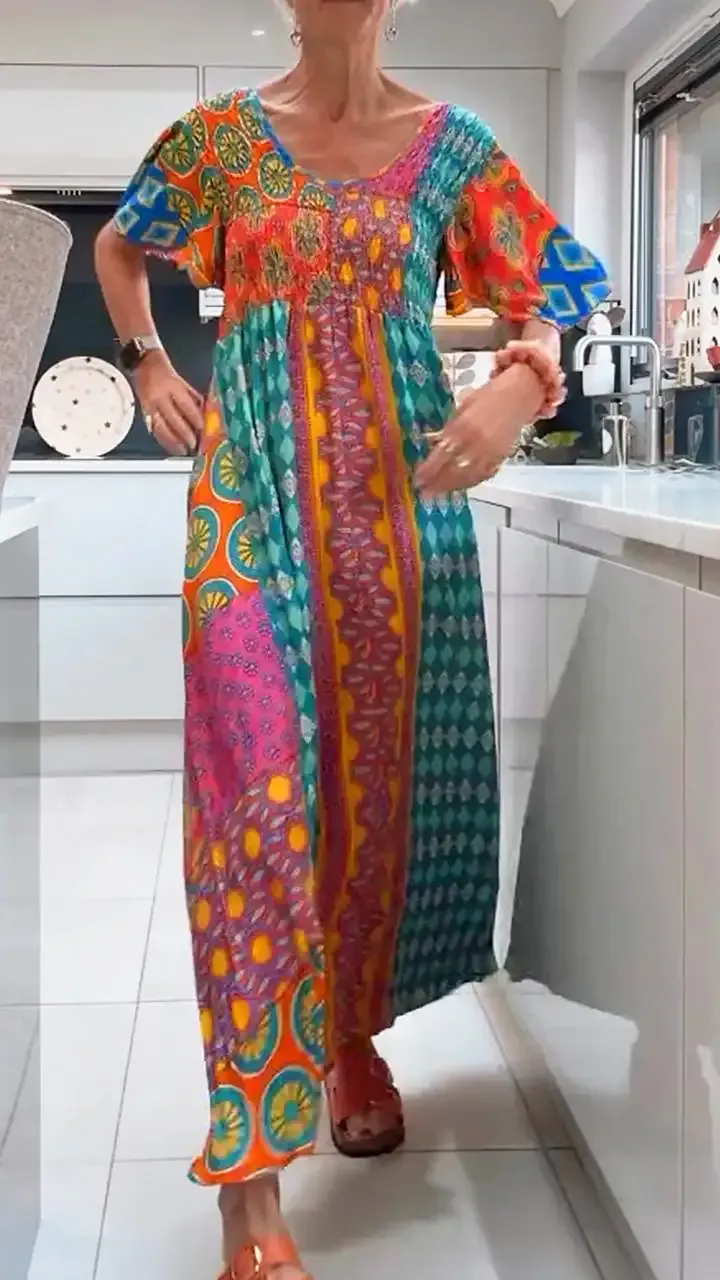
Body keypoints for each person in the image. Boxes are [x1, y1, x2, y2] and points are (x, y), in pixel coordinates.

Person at [95, 1, 609, 1275]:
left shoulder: (453, 149)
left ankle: (350, 1037)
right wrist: (146, 358)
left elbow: (558, 284)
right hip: (248, 502)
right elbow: (118, 241)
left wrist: (522, 378)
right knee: (253, 799)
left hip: (394, 506)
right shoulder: (222, 140)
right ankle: (249, 1181)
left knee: (372, 790)